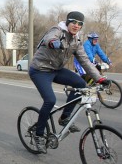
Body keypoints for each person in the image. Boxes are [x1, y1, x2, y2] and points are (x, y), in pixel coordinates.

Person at [29, 11, 110, 154]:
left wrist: (100, 78)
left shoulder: (76, 41)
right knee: (50, 100)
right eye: (74, 22)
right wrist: (54, 43)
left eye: (80, 24)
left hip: (56, 70)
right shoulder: (57, 31)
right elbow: (49, 38)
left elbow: (85, 61)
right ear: (67, 22)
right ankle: (38, 134)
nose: (76, 26)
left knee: (81, 85)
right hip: (40, 70)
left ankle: (65, 117)